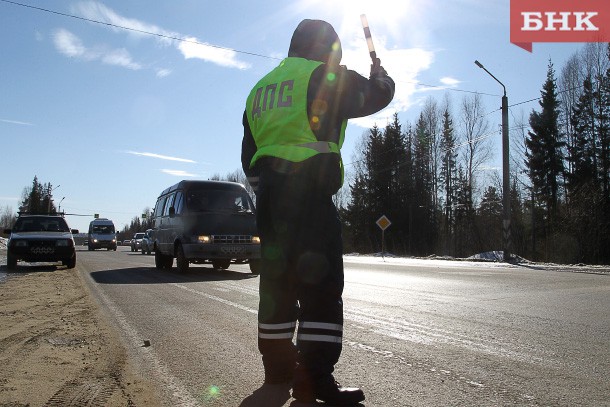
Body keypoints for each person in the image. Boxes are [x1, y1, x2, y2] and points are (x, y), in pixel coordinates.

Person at [242, 19, 395, 405]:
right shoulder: (321, 78)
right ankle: (314, 379)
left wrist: (269, 196)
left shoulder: (260, 89)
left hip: (271, 204)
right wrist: (382, 77)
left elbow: (248, 157)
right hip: (309, 197)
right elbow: (375, 95)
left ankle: (277, 372)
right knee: (321, 289)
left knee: (276, 287)